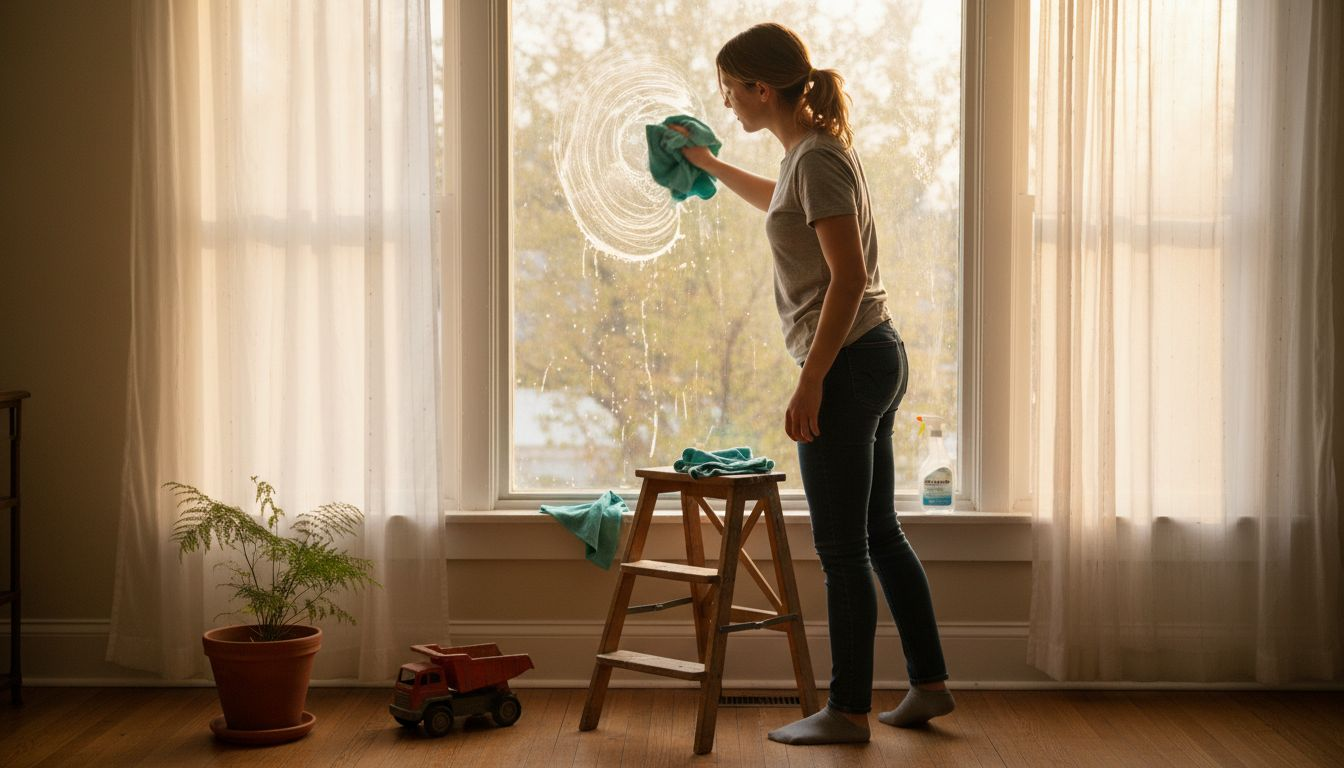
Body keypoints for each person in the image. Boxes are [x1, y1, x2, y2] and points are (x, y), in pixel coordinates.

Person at [671, 22, 955, 745]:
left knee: (842, 548)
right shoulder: (809, 157)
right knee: (878, 533)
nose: (728, 103)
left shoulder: (819, 159)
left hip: (850, 364)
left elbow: (849, 277)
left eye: (731, 91)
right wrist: (708, 164)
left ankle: (848, 710)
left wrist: (812, 383)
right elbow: (781, 203)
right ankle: (929, 684)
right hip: (872, 358)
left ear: (761, 89)